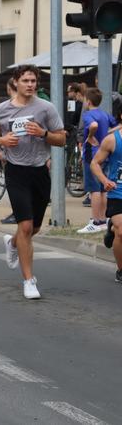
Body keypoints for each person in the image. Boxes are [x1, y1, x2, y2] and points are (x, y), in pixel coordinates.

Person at [0, 65, 66, 300]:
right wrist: (2, 139)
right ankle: (29, 280)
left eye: (33, 81)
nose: (30, 85)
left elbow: (61, 139)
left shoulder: (46, 108)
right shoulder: (1, 110)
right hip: (16, 172)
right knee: (27, 226)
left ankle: (12, 242)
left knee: (34, 228)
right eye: (26, 80)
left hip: (40, 171)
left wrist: (43, 134)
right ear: (16, 83)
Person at [77, 87, 118, 234]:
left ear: (87, 101)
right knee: (103, 188)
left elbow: (93, 125)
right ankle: (105, 219)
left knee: (93, 189)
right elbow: (119, 125)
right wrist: (108, 132)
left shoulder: (88, 115)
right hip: (105, 154)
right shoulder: (105, 114)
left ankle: (96, 221)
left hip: (92, 154)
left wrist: (90, 137)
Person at [90, 118, 122, 282]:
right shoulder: (112, 140)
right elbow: (95, 163)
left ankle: (111, 228)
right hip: (118, 192)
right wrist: (104, 181)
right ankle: (121, 270)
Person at [0, 77, 18, 225]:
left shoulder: (8, 108)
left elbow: (4, 131)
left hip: (13, 155)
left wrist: (1, 148)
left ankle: (16, 213)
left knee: (14, 186)